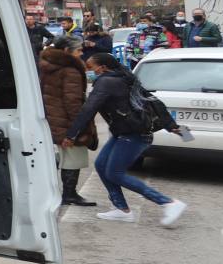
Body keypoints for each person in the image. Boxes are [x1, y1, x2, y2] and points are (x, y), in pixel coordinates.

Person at [66, 53, 188, 227]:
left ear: (103, 67)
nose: (89, 71)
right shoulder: (123, 77)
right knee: (101, 165)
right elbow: (154, 102)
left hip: (134, 134)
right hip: (125, 132)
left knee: (115, 172)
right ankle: (121, 209)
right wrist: (174, 127)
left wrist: (71, 135)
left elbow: (89, 109)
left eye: (91, 67)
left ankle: (168, 203)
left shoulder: (106, 82)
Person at [38, 38, 100, 208]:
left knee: (63, 157)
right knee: (74, 157)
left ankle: (61, 193)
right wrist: (78, 127)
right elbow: (73, 102)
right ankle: (69, 194)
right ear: (67, 50)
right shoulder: (69, 70)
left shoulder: (47, 65)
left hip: (52, 118)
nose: (81, 53)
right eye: (78, 50)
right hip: (66, 121)